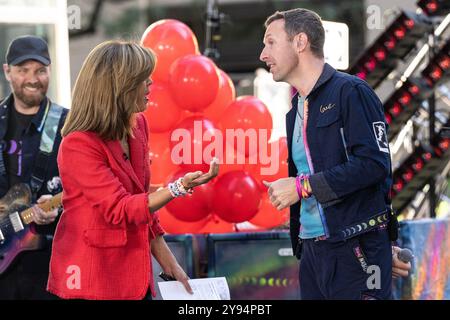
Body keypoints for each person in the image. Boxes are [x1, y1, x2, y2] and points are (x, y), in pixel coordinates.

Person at [46, 40, 219, 300]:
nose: (150, 84)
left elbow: (144, 210)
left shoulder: (138, 126)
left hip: (134, 279)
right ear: (119, 87)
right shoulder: (78, 144)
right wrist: (179, 187)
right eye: (143, 79)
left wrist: (170, 264)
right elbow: (122, 208)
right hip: (91, 281)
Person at [260, 9, 410, 300]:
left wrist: (301, 187)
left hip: (355, 248)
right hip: (313, 252)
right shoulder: (294, 112)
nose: (263, 54)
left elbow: (373, 165)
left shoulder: (351, 91)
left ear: (300, 41)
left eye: (270, 42)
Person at [0, 35, 67, 299]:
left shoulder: (68, 125)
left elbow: (86, 191)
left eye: (40, 70)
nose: (32, 78)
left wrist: (59, 208)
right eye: (23, 70)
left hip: (47, 266)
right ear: (7, 71)